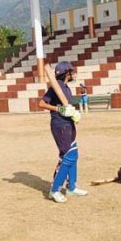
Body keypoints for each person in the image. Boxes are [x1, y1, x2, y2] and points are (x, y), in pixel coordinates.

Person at [38, 61, 88, 203]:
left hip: (68, 123)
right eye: (72, 71)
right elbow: (42, 103)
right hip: (59, 125)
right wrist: (59, 109)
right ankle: (54, 190)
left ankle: (71, 187)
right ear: (67, 73)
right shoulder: (56, 86)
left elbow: (67, 106)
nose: (73, 74)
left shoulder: (66, 88)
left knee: (74, 153)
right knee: (68, 156)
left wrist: (73, 114)